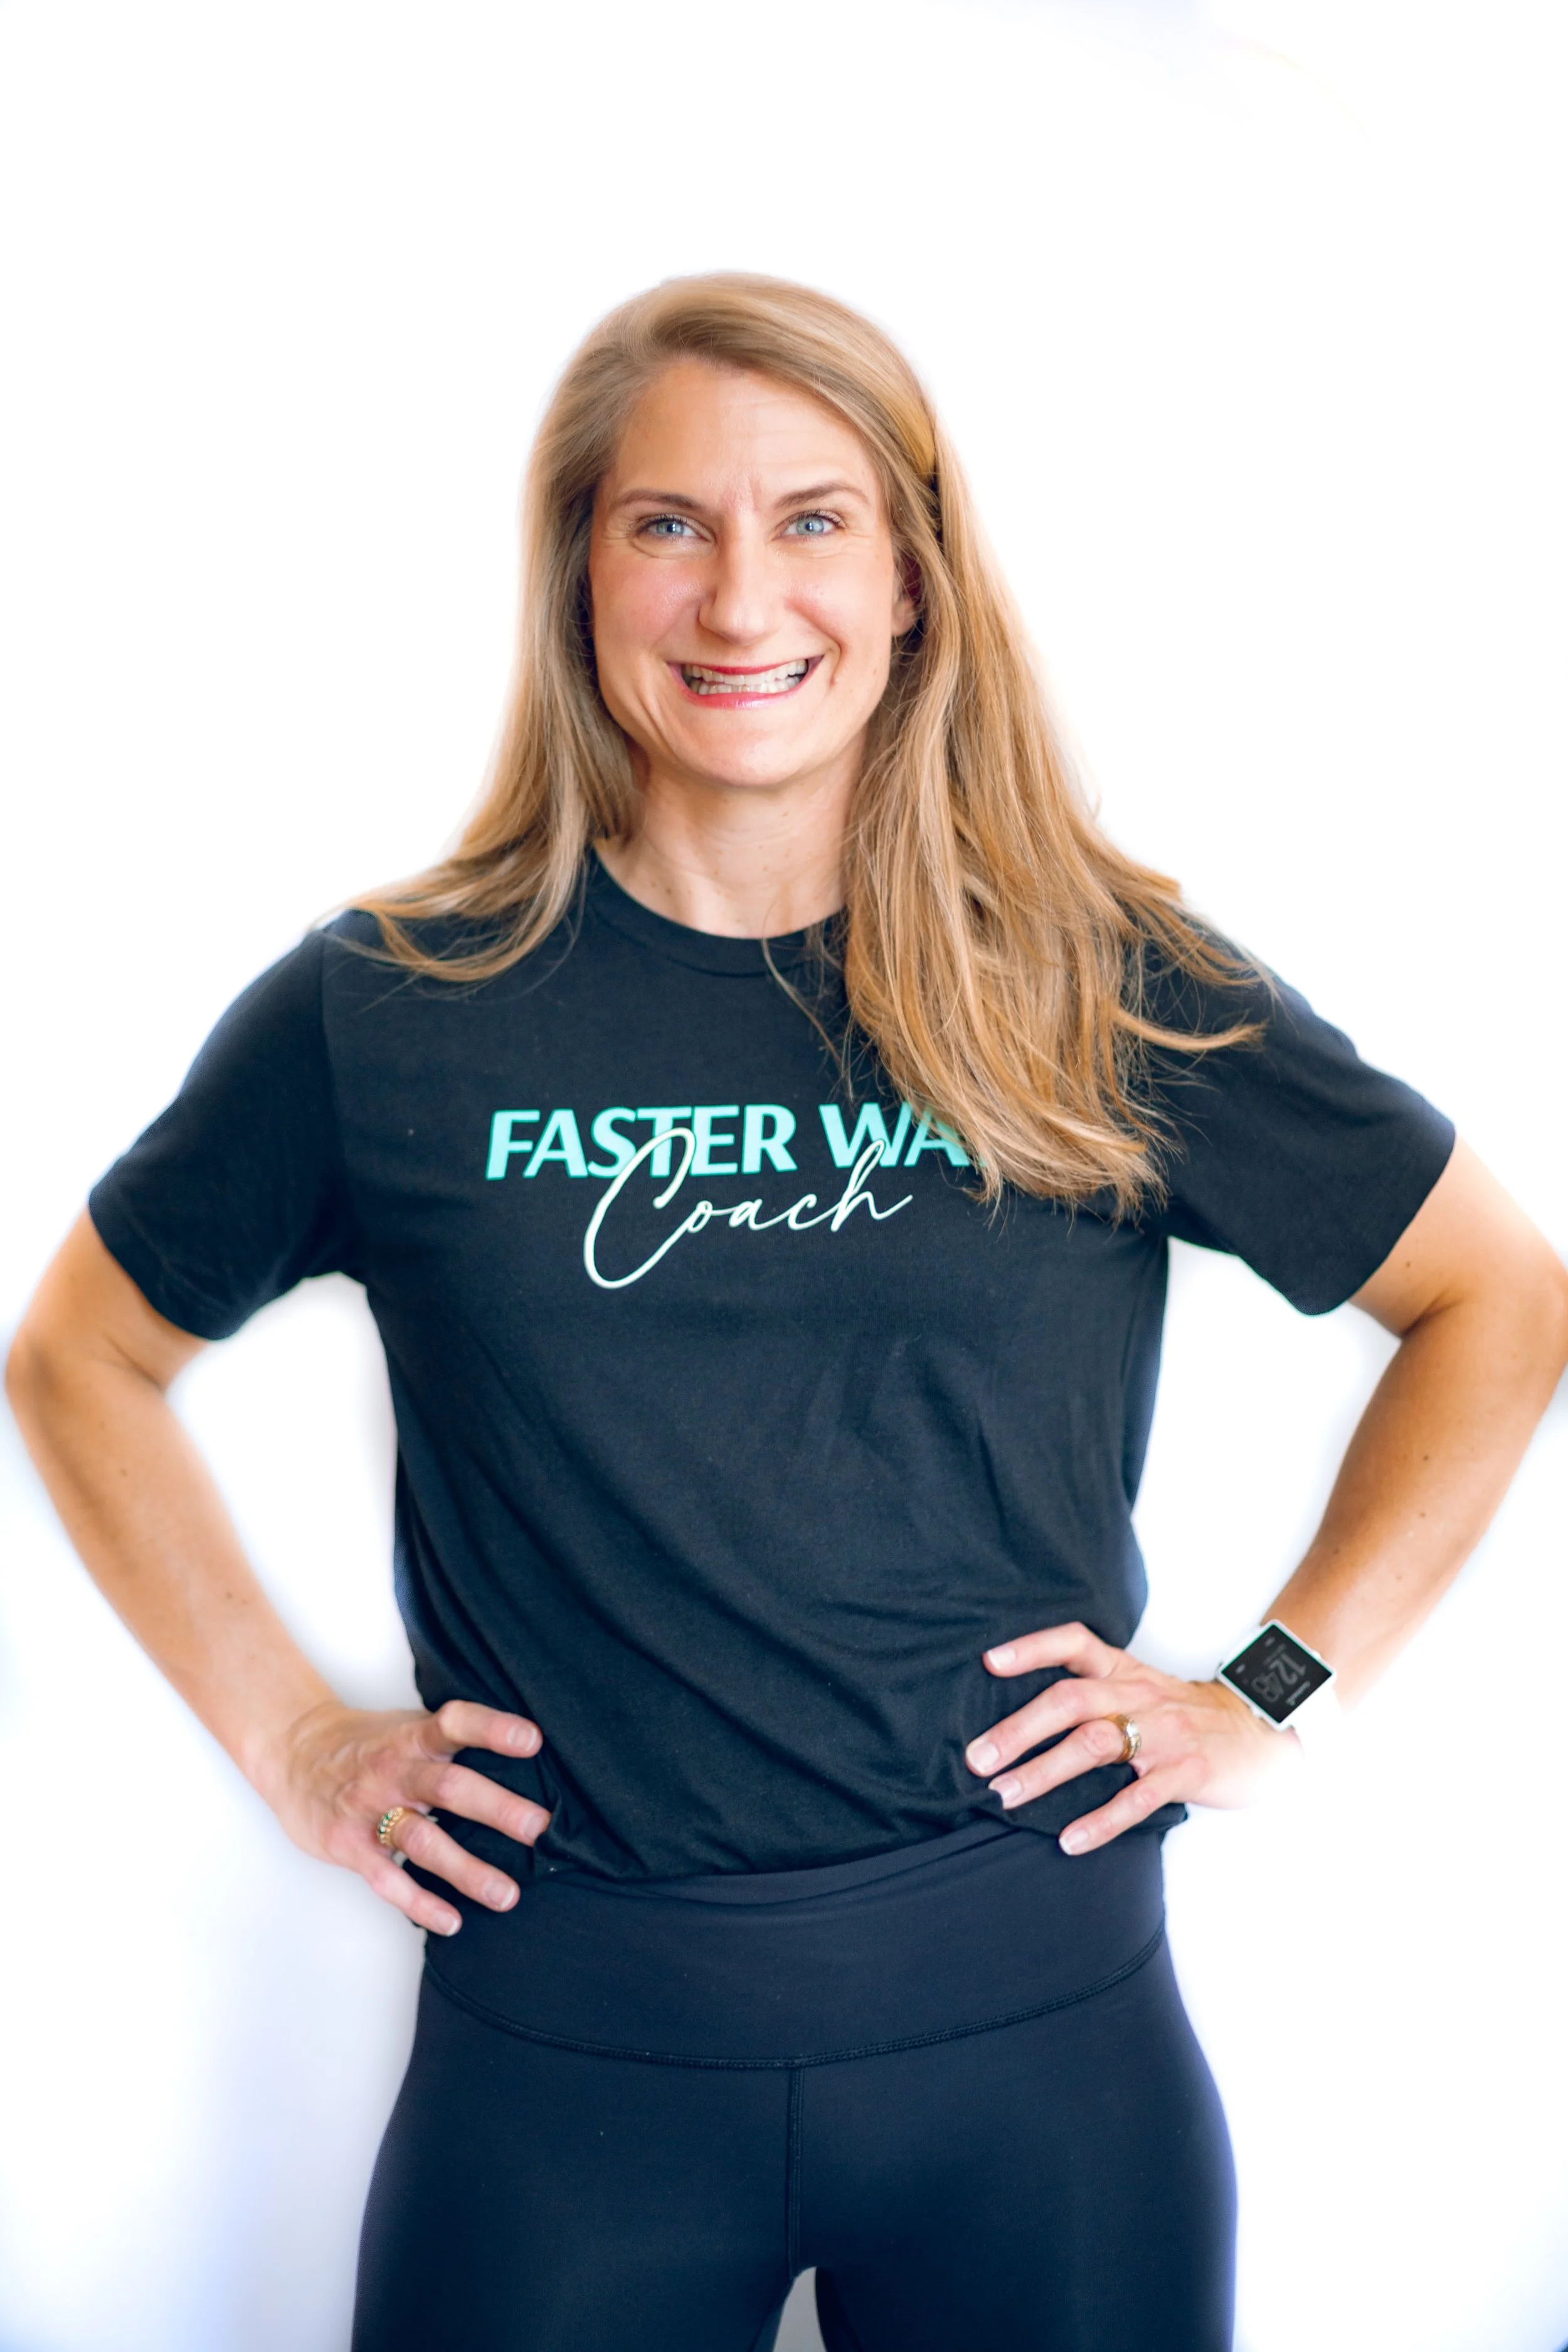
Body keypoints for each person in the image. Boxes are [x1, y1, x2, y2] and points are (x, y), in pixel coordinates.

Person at [8, 273, 1565, 2352]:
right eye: (668, 523)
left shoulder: (1095, 979)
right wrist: (296, 1739)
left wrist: (1268, 1691)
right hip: (559, 2068)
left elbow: (1493, 1293)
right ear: (581, 571)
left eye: (812, 519)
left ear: (914, 574)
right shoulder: (390, 1008)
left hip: (1041, 2058)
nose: (742, 600)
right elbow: (78, 1354)